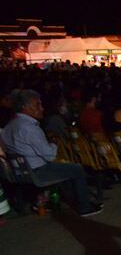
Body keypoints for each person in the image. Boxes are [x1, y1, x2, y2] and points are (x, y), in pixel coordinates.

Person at [1, 89, 102, 217]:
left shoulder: (10, 125)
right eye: (37, 105)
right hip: (37, 171)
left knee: (65, 169)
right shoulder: (29, 128)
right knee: (77, 169)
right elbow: (50, 155)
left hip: (18, 172)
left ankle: (55, 200)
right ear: (25, 108)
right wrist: (54, 143)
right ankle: (85, 207)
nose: (41, 108)